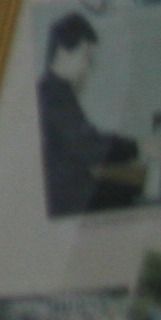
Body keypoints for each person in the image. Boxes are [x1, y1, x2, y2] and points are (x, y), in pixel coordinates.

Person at [37, 13, 145, 216]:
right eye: (86, 56)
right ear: (63, 52)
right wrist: (139, 147)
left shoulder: (57, 90)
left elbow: (87, 140)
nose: (88, 67)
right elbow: (90, 147)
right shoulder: (52, 95)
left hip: (73, 187)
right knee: (142, 187)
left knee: (139, 180)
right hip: (69, 200)